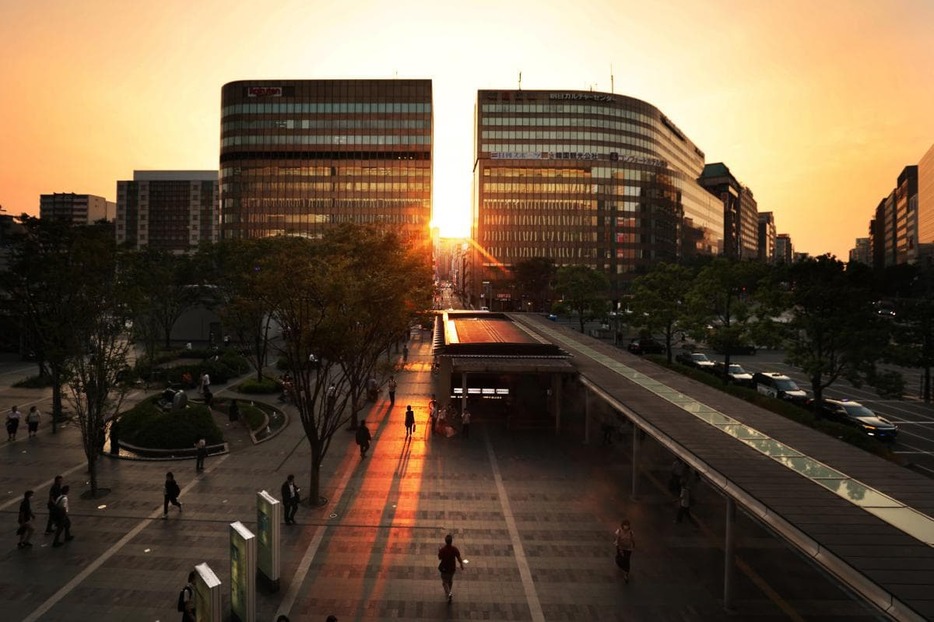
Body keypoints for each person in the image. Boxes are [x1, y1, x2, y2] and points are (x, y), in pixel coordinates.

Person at [437, 533, 465, 602]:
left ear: (445, 541)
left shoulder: (443, 550)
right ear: (451, 541)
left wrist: (439, 551)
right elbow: (459, 558)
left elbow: (440, 558)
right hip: (452, 568)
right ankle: (449, 591)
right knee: (450, 580)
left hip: (444, 568)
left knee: (444, 582)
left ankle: (449, 593)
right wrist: (461, 564)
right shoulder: (454, 549)